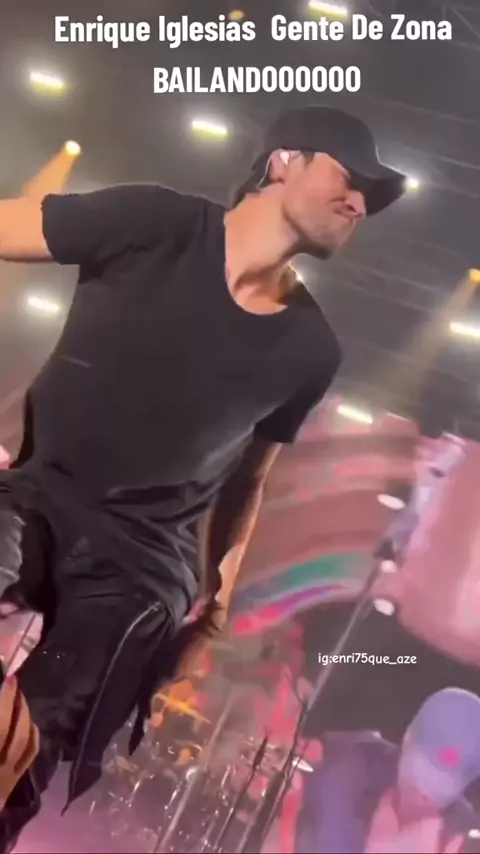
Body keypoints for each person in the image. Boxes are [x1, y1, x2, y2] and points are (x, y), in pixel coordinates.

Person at [0, 104, 406, 848]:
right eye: (351, 179)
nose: (360, 204)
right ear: (283, 161)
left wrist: (215, 610)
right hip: (37, 495)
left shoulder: (311, 350)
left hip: (141, 565)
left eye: (371, 200)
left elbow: (249, 482)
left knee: (44, 726)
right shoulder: (154, 223)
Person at [297, 688, 480, 853]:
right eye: (421, 771)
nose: (422, 794)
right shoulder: (348, 772)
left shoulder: (461, 839)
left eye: (441, 786)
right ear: (407, 738)